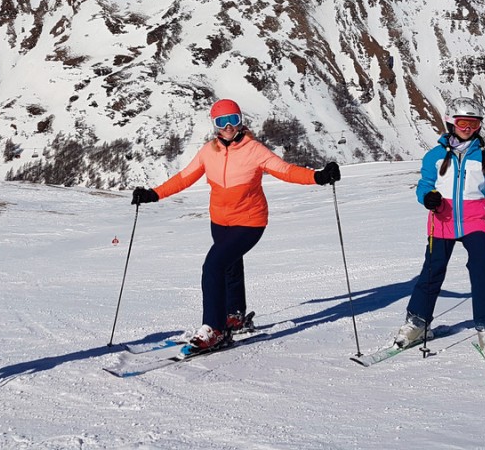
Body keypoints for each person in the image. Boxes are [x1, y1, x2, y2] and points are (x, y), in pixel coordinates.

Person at [130, 98, 341, 352]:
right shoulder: (209, 151)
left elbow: (285, 170)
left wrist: (317, 177)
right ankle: (234, 315)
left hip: (250, 222)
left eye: (234, 120)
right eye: (222, 122)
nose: (229, 127)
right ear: (215, 125)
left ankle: (214, 329)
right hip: (219, 221)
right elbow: (183, 178)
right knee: (229, 266)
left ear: (241, 121)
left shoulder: (254, 150)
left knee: (213, 265)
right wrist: (154, 194)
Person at [394, 97, 485, 359]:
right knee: (432, 270)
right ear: (451, 121)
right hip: (442, 220)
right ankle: (417, 323)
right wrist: (428, 197)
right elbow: (425, 185)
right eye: (463, 122)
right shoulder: (435, 156)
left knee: (482, 266)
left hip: (475, 221)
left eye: (474, 122)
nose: (468, 127)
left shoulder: (484, 157)